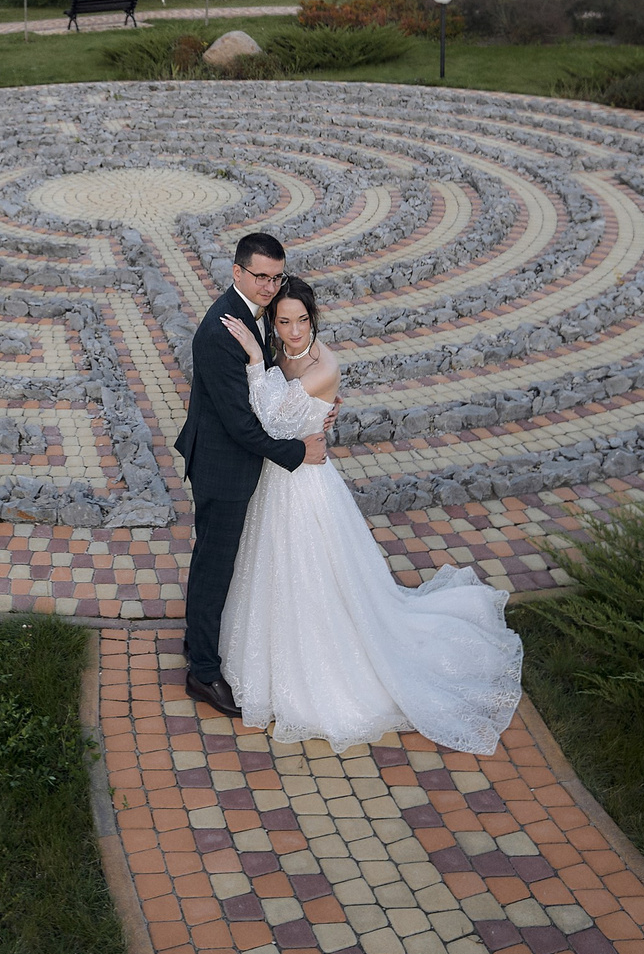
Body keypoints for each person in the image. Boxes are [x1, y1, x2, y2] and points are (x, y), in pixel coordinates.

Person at [214, 274, 524, 754]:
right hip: (277, 480)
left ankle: (320, 672)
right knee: (270, 570)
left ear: (313, 318)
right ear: (273, 323)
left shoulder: (322, 366)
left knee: (313, 576)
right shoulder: (283, 356)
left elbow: (273, 420)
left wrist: (256, 365)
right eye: (283, 322)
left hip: (306, 487)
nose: (294, 332)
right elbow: (281, 417)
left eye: (301, 321)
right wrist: (279, 379)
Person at [173, 232, 331, 719]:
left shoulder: (254, 314)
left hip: (237, 459)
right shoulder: (221, 332)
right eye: (260, 276)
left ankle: (196, 643)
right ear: (237, 273)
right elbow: (241, 424)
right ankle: (202, 670)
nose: (269, 286)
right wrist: (297, 451)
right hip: (223, 467)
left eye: (275, 276)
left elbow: (274, 384)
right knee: (214, 566)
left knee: (221, 563)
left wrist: (312, 404)